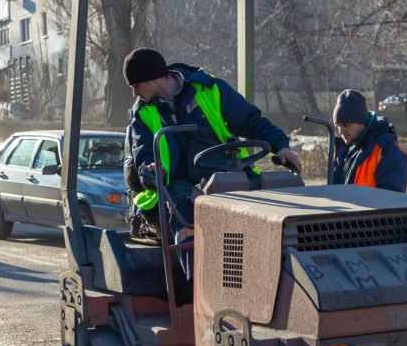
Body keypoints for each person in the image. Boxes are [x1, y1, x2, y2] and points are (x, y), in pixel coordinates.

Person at [123, 48, 302, 239]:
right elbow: (143, 153)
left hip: (228, 173)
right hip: (180, 183)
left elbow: (251, 121)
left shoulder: (211, 89)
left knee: (277, 205)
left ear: (151, 78)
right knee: (184, 213)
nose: (134, 92)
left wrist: (281, 146)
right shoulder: (141, 114)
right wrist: (151, 170)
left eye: (135, 85)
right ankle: (196, 266)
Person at [329, 90, 407, 193]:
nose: (340, 131)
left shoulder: (388, 151)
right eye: (337, 126)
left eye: (345, 124)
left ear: (362, 122)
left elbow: (391, 199)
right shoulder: (343, 152)